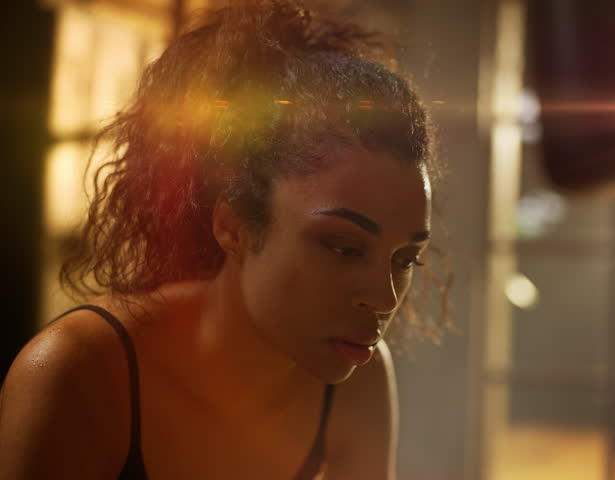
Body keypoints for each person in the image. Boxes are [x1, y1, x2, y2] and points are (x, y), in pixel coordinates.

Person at [0, 1, 447, 478]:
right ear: (233, 225)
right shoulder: (79, 374)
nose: (385, 297)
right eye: (344, 248)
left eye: (405, 259)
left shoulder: (359, 380)